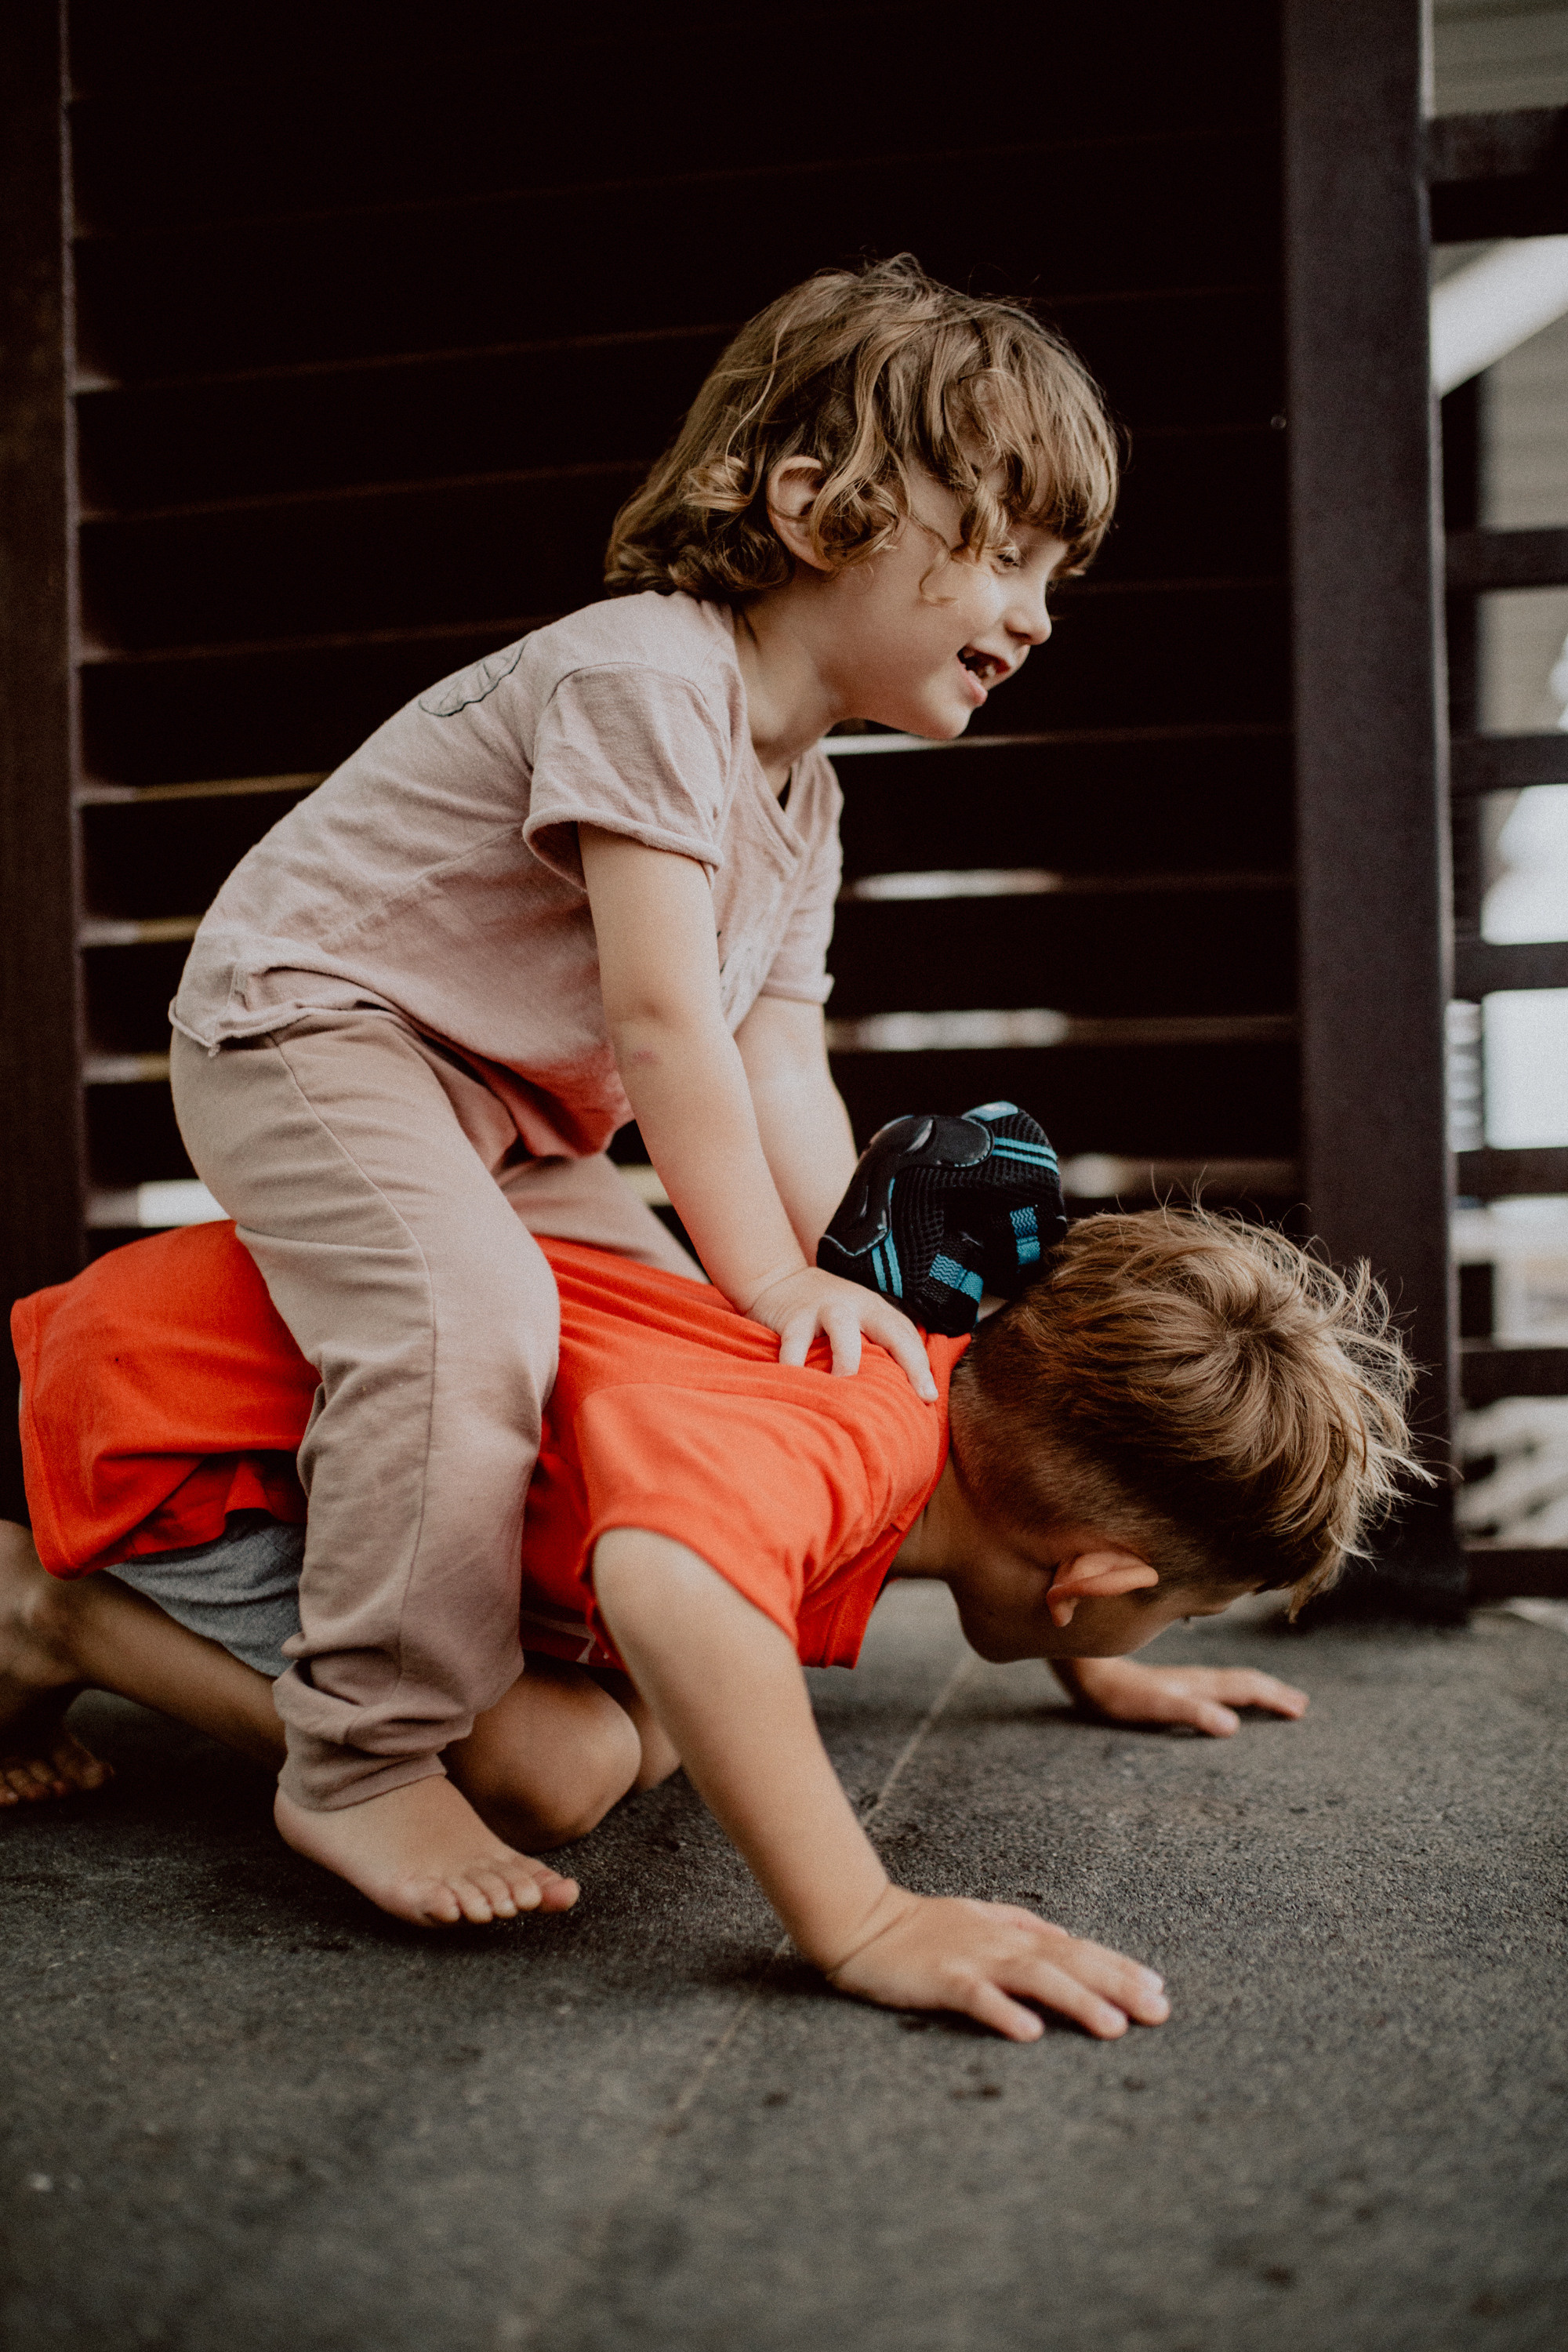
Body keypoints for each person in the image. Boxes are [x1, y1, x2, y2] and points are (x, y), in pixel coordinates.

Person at [158, 254, 1120, 1911]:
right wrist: (761, 1265)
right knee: (471, 1325)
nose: (1036, 611)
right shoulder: (646, 678)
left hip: (508, 1109)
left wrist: (830, 1294)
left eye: (1055, 573)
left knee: (672, 1346)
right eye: (1006, 555)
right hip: (316, 1030)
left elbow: (777, 1066)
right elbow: (668, 1022)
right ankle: (366, 1756)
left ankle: (552, 1641)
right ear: (820, 511)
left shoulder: (806, 797)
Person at [2, 1203, 1416, 2042]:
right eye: (1171, 1612)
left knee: (660, 1726)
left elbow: (1063, 1513)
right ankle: (55, 1619)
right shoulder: (852, 1449)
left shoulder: (943, 1389)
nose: (1154, 1634)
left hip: (251, 1364)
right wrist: (860, 1920)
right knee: (547, 1774)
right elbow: (672, 1580)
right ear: (1089, 1578)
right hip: (189, 1431)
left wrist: (1093, 1667)